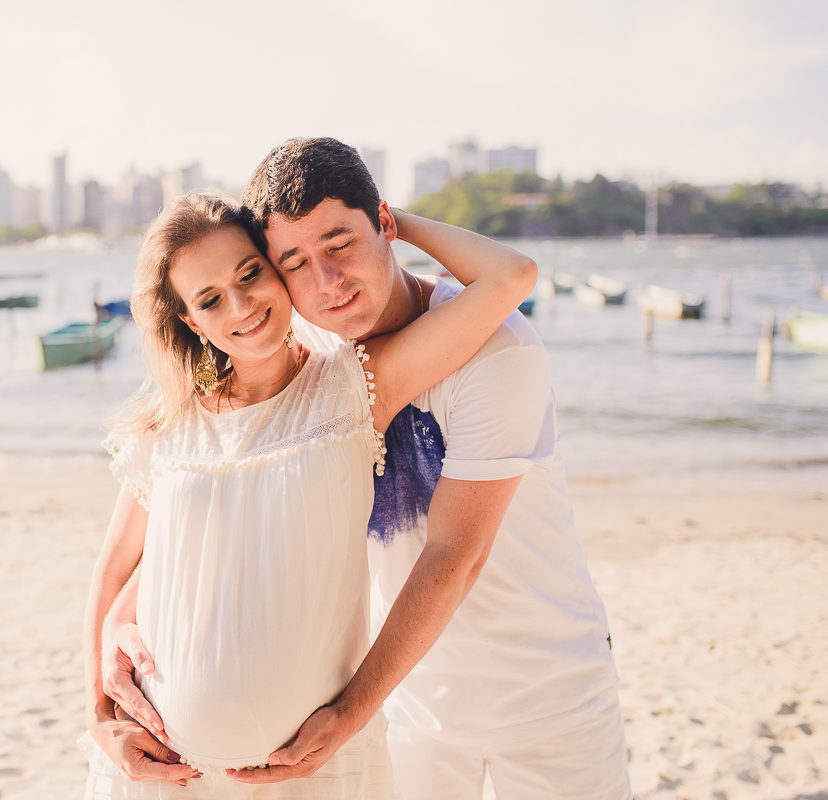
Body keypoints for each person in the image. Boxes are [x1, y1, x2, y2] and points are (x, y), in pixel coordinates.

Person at [101, 139, 632, 799]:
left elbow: (453, 555)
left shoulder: (497, 350)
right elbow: (220, 496)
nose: (327, 282)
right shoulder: (314, 346)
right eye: (294, 260)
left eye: (341, 244)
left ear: (383, 224)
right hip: (405, 701)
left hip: (544, 698)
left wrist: (348, 714)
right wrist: (118, 619)